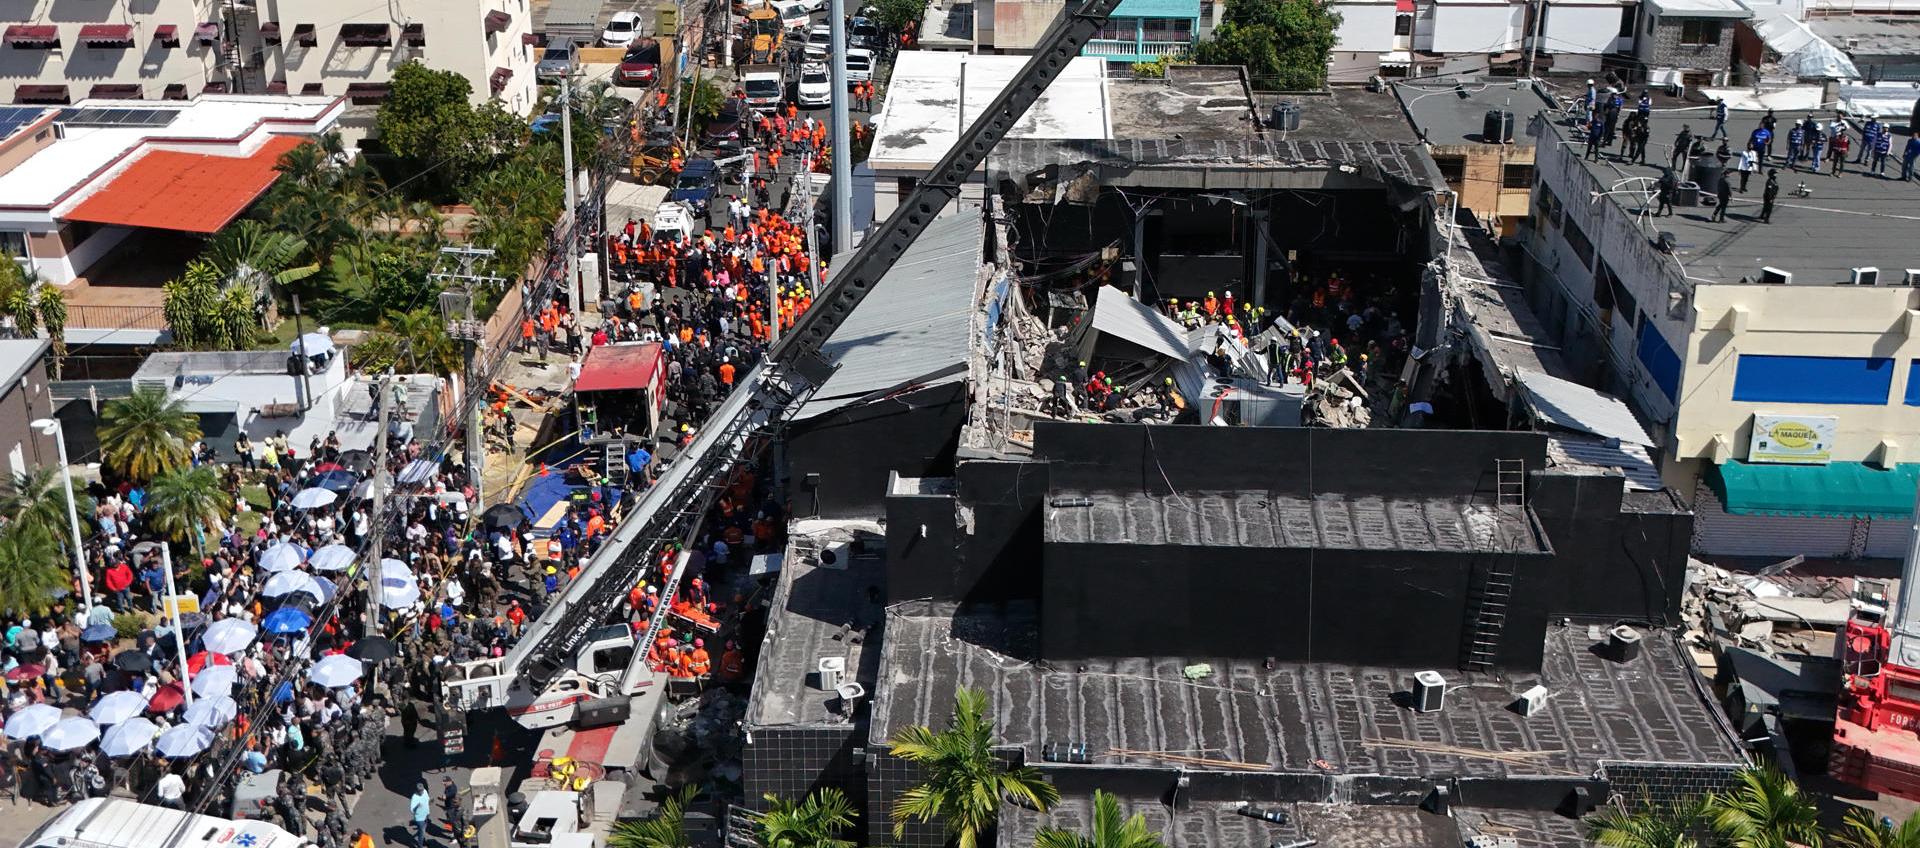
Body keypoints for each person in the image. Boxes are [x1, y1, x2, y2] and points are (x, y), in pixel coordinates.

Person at [410, 782, 433, 848]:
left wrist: (430, 801)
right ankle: (420, 845)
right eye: (420, 791)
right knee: (422, 831)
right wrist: (417, 806)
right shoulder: (414, 797)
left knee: (423, 830)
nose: (422, 792)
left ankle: (422, 841)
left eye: (422, 790)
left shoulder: (425, 791)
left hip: (426, 815)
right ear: (417, 790)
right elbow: (412, 810)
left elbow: (427, 800)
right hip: (420, 818)